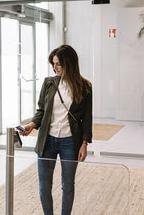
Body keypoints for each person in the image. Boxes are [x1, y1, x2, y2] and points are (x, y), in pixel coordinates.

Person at [20, 44, 92, 215]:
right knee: (44, 186)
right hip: (48, 140)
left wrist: (84, 143)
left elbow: (87, 118)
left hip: (70, 142)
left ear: (70, 64)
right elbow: (41, 110)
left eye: (58, 63)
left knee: (68, 185)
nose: (55, 67)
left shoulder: (85, 87)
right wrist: (32, 125)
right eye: (53, 63)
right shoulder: (49, 83)